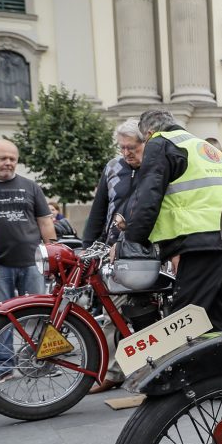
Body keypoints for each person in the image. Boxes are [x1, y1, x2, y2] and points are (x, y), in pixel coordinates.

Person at [124, 109, 222, 331]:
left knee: (184, 320)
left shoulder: (160, 142)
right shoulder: (205, 147)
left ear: (149, 133)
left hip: (200, 244)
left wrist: (131, 241)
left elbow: (148, 198)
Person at [80, 119, 147, 393]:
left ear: (144, 144)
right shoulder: (112, 168)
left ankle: (147, 370)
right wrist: (88, 245)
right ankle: (113, 372)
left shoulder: (155, 167)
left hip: (145, 250)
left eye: (132, 147)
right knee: (112, 313)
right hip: (113, 251)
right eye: (122, 148)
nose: (126, 153)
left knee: (145, 313)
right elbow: (99, 209)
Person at [0, 139, 56, 307]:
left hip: (32, 264)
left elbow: (45, 223)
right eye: (2, 158)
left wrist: (52, 257)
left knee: (35, 315)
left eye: (12, 159)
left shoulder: (31, 187)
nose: (8, 162)